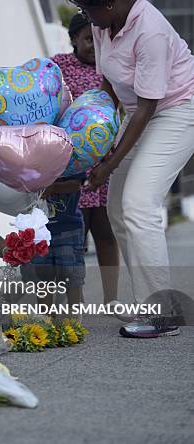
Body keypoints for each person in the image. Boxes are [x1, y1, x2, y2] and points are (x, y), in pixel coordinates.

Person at [72, 0, 194, 338]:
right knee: (117, 209)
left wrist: (109, 165)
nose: (83, 15)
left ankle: (164, 312)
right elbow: (108, 85)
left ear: (109, 4)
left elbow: (147, 106)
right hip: (138, 112)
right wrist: (93, 138)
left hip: (178, 110)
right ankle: (148, 303)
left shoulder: (149, 30)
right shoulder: (102, 24)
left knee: (139, 204)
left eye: (86, 8)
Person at [51, 13, 120, 307]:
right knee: (73, 234)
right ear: (74, 40)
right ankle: (72, 301)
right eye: (87, 39)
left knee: (105, 231)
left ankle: (111, 298)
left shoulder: (114, 66)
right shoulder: (59, 65)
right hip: (72, 164)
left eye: (97, 39)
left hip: (105, 160)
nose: (93, 45)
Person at [20, 174, 87, 319]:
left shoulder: (71, 156)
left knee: (71, 272)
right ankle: (46, 316)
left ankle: (74, 315)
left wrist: (55, 187)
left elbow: (77, 183)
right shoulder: (28, 160)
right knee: (42, 274)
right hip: (37, 228)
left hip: (68, 226)